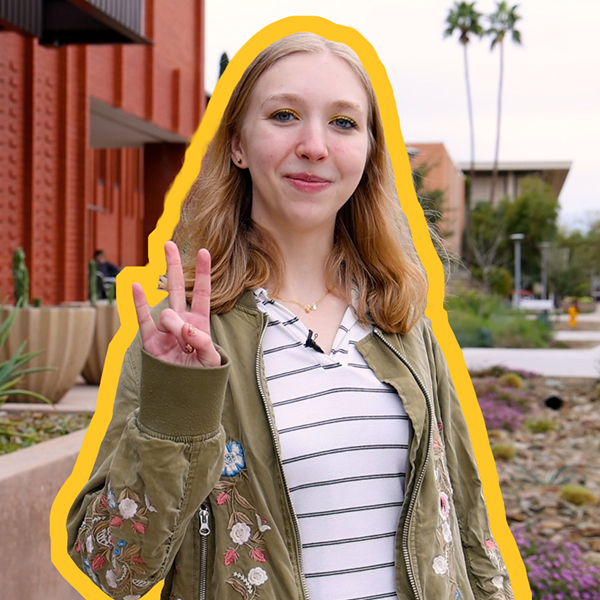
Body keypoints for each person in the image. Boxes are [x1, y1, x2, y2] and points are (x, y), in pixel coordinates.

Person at [67, 32, 515, 600]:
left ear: (370, 152)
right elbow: (115, 568)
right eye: (284, 115)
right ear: (237, 145)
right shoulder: (186, 337)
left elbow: (468, 526)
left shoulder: (402, 324)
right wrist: (179, 405)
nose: (314, 145)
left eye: (344, 123)